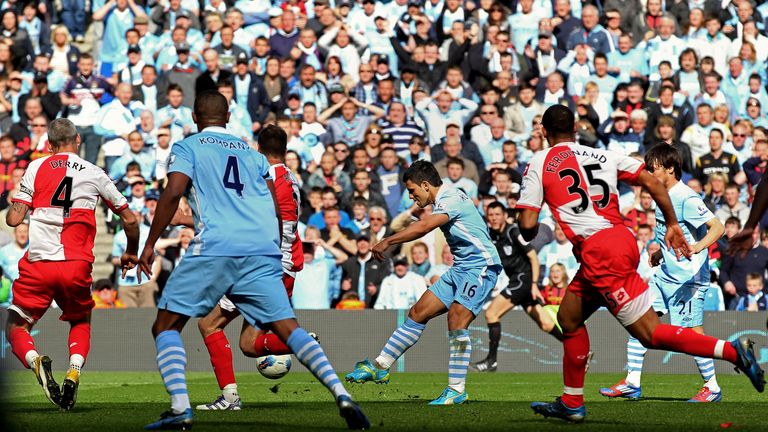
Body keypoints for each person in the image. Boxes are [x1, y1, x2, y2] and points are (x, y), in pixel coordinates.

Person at [517, 105, 763, 422]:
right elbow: (655, 183)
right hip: (620, 241)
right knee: (569, 316)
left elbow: (526, 224)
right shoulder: (602, 155)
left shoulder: (539, 163)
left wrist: (531, 226)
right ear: (577, 128)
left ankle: (734, 353)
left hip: (601, 252)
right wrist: (672, 223)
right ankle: (571, 402)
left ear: (543, 131)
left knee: (649, 333)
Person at [137, 92, 368, 430]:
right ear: (229, 116)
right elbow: (274, 209)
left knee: (166, 325)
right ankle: (341, 393)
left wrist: (150, 243)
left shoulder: (188, 146)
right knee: (288, 329)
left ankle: (180, 408)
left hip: (216, 245)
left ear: (197, 118)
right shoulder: (254, 156)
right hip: (262, 249)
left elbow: (173, 193)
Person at [4, 118, 140, 411]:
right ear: (78, 140)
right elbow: (129, 219)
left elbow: (13, 220)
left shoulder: (36, 167)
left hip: (39, 263)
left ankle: (34, 360)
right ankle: (74, 369)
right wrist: (130, 251)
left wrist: (22, 200)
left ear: (50, 145)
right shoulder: (95, 172)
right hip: (76, 265)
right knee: (80, 319)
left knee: (16, 326)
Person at [345, 160, 502, 405]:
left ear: (426, 185)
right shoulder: (444, 199)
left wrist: (388, 240)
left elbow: (425, 226)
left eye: (412, 190)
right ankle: (380, 366)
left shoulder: (450, 198)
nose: (410, 196)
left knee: (457, 318)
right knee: (418, 312)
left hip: (481, 266)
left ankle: (456, 389)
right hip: (461, 268)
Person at [185, 125, 306, 410]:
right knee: (250, 344)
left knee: (209, 324)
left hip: (261, 267)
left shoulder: (262, 178)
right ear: (285, 151)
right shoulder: (291, 179)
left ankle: (230, 398)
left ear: (258, 150)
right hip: (286, 267)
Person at [601, 144, 726, 403]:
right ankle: (632, 382)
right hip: (665, 274)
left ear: (670, 168)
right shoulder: (661, 194)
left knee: (691, 335)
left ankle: (712, 387)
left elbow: (718, 227)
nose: (649, 172)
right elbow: (672, 230)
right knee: (639, 322)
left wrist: (697, 247)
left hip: (688, 280)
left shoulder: (686, 197)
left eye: (653, 168)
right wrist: (661, 252)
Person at [471, 201, 563, 373]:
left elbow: (534, 258)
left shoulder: (513, 231)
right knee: (545, 323)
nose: (494, 218)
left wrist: (534, 285)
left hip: (524, 280)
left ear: (505, 215)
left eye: (497, 214)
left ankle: (491, 361)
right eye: (491, 215)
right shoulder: (492, 235)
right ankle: (579, 352)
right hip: (518, 282)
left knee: (491, 313)